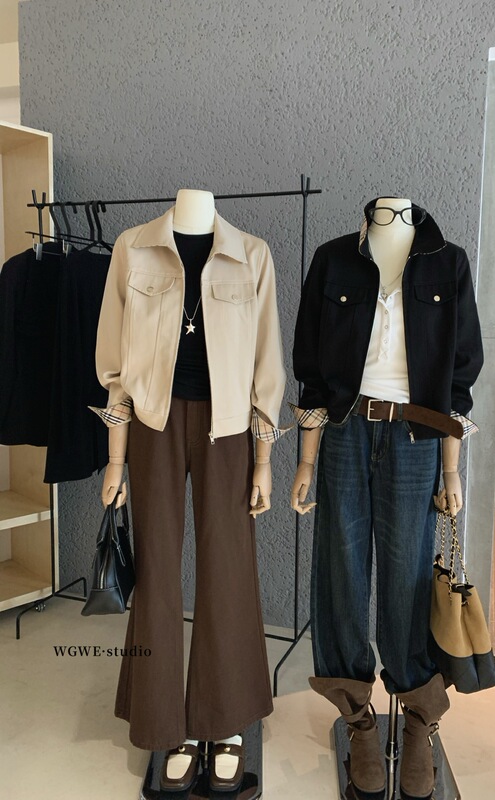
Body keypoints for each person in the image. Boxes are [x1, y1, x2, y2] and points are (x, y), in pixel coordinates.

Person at [93, 189, 286, 793]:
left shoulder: (251, 255)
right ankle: (162, 723)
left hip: (228, 428)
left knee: (228, 566)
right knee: (155, 568)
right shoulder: (133, 249)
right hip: (152, 424)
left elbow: (266, 362)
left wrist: (263, 459)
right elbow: (114, 363)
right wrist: (116, 459)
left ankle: (224, 721)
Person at [290, 196, 483, 799]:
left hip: (417, 436)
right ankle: (358, 720)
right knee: (342, 571)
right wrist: (305, 460)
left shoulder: (448, 262)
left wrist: (452, 471)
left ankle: (420, 720)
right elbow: (311, 370)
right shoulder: (332, 260)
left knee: (407, 578)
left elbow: (459, 374)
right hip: (345, 431)